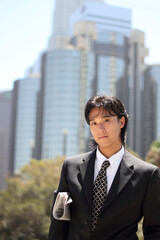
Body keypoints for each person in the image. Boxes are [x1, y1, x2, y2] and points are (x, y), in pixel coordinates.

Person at [48, 95, 160, 240]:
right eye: (93, 123)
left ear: (121, 121)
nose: (100, 129)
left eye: (106, 120)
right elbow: (59, 220)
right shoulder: (71, 167)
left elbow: (155, 230)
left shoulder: (147, 174)